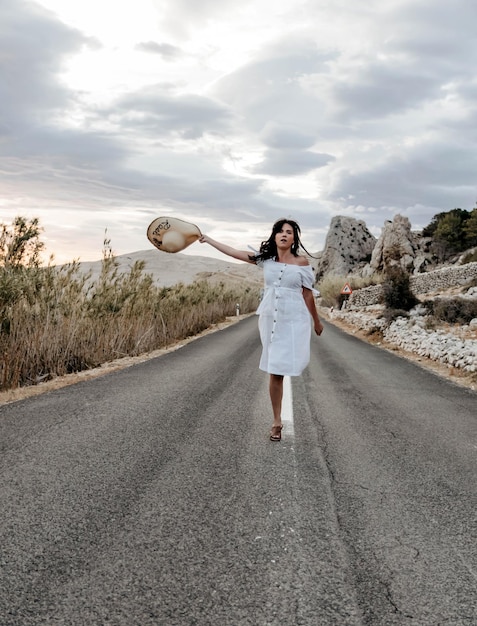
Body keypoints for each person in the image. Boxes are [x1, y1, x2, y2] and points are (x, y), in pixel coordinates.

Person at [199, 218, 323, 442]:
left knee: (285, 367)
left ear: (294, 239)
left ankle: (278, 418)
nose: (284, 235)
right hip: (271, 319)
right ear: (274, 236)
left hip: (294, 319)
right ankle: (277, 421)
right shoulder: (266, 260)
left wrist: (317, 321)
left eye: (289, 232)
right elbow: (233, 252)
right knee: (275, 370)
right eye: (280, 232)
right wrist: (208, 240)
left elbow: (307, 294)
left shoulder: (301, 262)